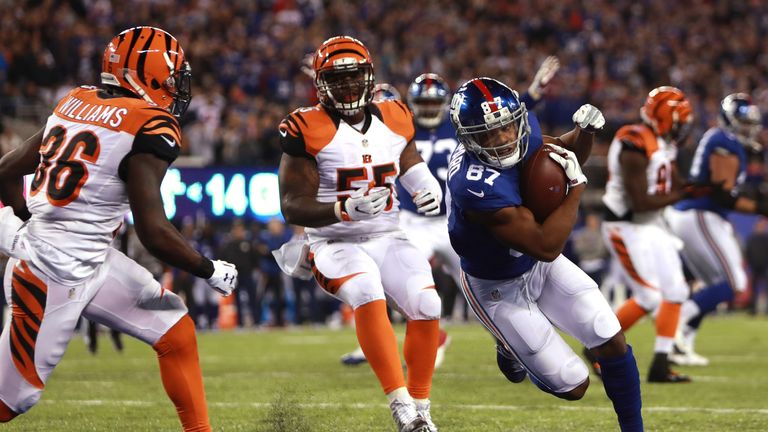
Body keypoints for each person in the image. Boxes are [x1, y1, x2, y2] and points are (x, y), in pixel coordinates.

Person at [0, 27, 238, 431]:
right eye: (172, 76)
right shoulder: (151, 125)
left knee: (174, 327)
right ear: (146, 74)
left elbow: (6, 170)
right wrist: (209, 269)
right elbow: (153, 231)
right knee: (11, 400)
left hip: (88, 260)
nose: (177, 87)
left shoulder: (76, 101)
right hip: (53, 274)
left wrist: (26, 217)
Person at [447, 77, 643, 432]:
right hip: (496, 284)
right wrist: (578, 188)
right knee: (574, 385)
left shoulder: (521, 131)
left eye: (507, 128)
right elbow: (547, 245)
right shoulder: (474, 184)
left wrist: (583, 132)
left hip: (534, 265)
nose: (504, 140)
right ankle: (510, 348)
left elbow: (556, 158)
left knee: (609, 336)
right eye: (489, 135)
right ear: (469, 137)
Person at [342, 58, 561, 369]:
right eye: (423, 103)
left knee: (491, 290)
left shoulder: (460, 125)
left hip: (456, 221)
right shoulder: (402, 125)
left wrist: (534, 92)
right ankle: (396, 339)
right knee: (387, 280)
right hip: (414, 222)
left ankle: (510, 343)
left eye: (434, 103)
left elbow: (503, 116)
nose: (429, 109)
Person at [278, 36, 442, 432]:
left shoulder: (397, 114)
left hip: (388, 233)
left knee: (428, 303)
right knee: (367, 289)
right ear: (320, 85)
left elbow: (406, 156)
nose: (349, 87)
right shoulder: (306, 126)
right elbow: (291, 205)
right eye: (339, 79)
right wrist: (341, 209)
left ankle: (421, 409)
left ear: (370, 77)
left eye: (355, 78)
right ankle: (400, 405)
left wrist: (424, 181)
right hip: (332, 241)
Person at [596, 86, 706, 383]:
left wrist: (700, 187)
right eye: (678, 122)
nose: (682, 129)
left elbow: (675, 183)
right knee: (648, 296)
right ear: (662, 118)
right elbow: (640, 201)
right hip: (626, 224)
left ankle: (660, 364)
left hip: (651, 223)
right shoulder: (633, 141)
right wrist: (680, 194)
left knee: (677, 291)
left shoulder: (662, 141)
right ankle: (597, 349)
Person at [665, 93, 768, 365]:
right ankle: (677, 324)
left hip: (702, 215)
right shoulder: (725, 141)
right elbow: (723, 195)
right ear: (730, 120)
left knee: (717, 284)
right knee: (736, 282)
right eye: (744, 122)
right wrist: (760, 207)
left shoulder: (727, 141)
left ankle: (682, 343)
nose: (750, 128)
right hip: (700, 213)